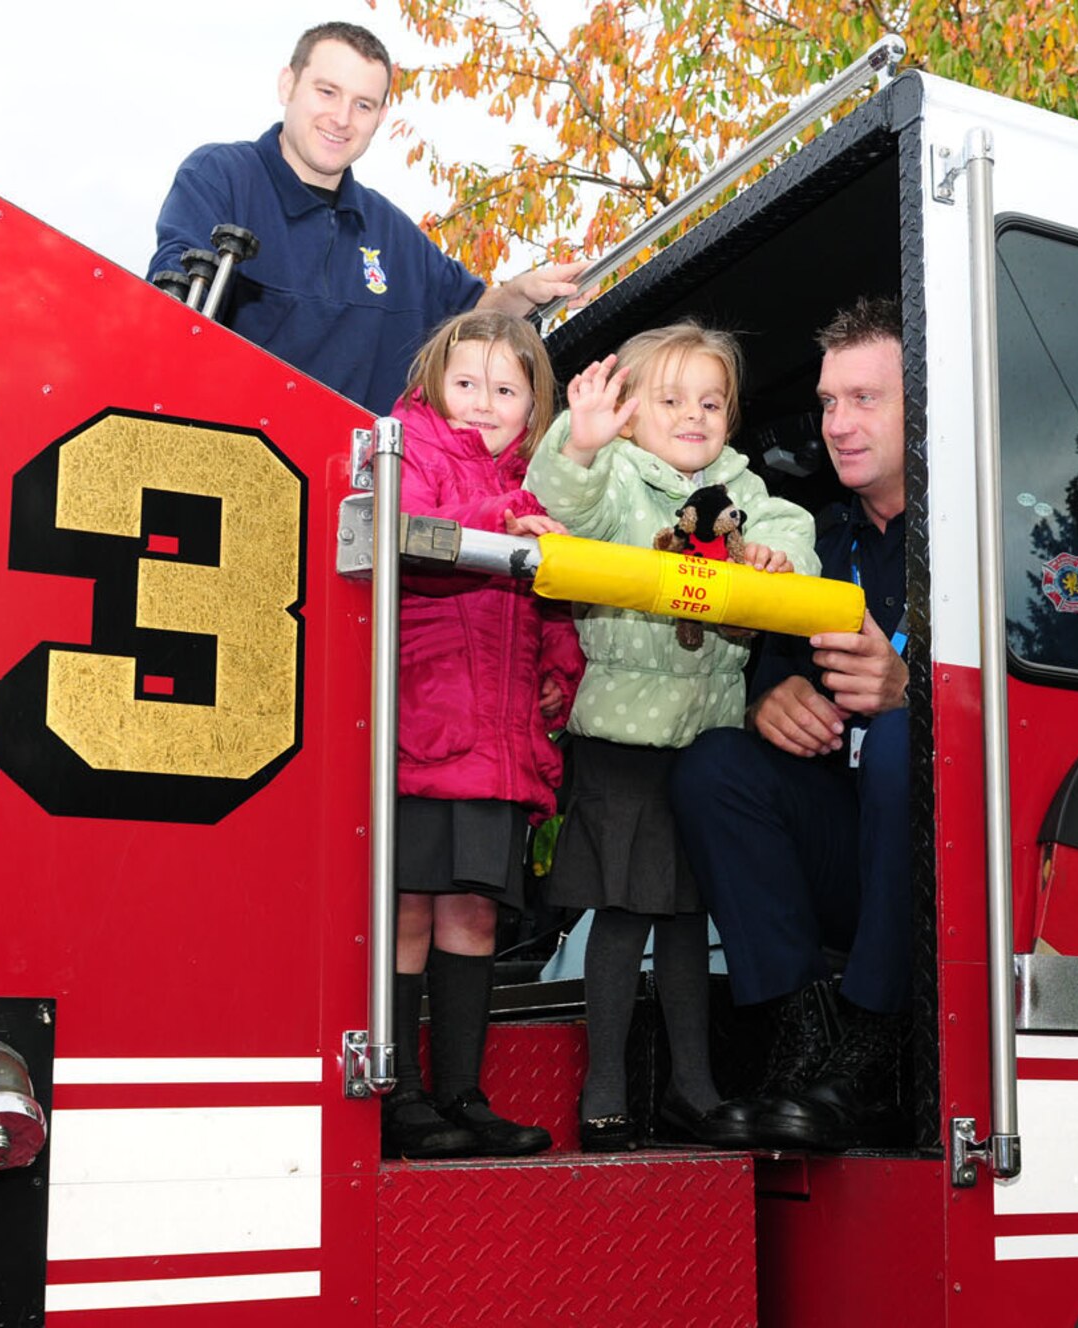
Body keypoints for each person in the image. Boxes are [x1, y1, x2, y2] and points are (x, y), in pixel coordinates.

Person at [525, 323, 819, 1150]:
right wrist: (578, 443)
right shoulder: (617, 477)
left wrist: (772, 557)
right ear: (628, 415)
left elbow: (794, 528)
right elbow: (563, 501)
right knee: (623, 915)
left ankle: (694, 1088)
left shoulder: (741, 487)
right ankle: (605, 1086)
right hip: (621, 736)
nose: (693, 416)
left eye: (711, 402)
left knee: (689, 917)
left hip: (705, 737)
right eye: (670, 400)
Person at [672, 296, 911, 1152]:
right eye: (828, 401)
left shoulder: (1002, 533)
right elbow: (770, 669)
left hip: (956, 879)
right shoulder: (818, 535)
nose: (837, 424)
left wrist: (912, 690)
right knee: (714, 764)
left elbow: (1064, 715)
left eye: (865, 398)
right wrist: (763, 699)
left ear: (925, 402)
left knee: (898, 741)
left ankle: (876, 1044)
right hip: (844, 850)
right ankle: (804, 1044)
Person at [381, 310, 584, 1158]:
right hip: (424, 733)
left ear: (532, 408)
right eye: (466, 383)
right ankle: (395, 1093)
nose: (481, 403)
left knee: (475, 918)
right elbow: (417, 544)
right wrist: (503, 515)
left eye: (505, 389)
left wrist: (560, 673)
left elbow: (553, 602)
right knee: (407, 917)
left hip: (497, 747)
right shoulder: (405, 451)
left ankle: (464, 1091)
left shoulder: (530, 486)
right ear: (433, 384)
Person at [150, 21, 587, 415]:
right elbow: (172, 304)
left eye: (363, 105)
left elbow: (473, 313)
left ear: (381, 117)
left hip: (358, 494)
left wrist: (524, 291)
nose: (341, 118)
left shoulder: (391, 233)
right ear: (288, 84)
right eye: (327, 91)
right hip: (227, 471)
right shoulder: (221, 178)